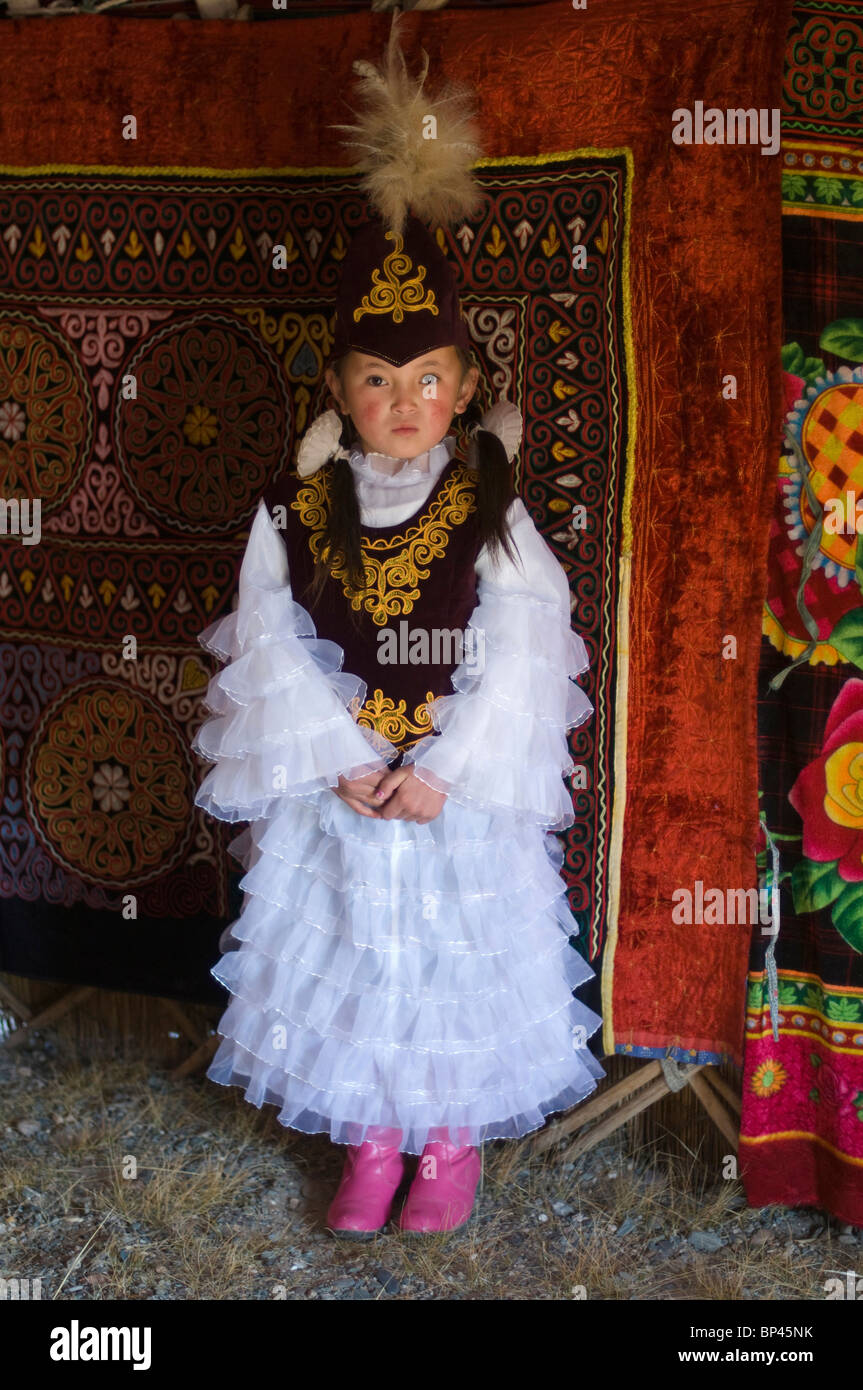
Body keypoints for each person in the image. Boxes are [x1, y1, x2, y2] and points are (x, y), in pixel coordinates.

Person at [191, 16, 605, 1238]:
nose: (402, 402)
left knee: (444, 959)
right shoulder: (292, 504)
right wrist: (345, 757)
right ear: (337, 386)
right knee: (361, 955)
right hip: (343, 791)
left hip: (448, 802)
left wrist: (449, 770)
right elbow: (262, 636)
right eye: (376, 380)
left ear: (464, 387)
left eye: (426, 378)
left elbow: (530, 649)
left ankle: (446, 1143)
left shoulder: (490, 505)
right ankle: (369, 1141)